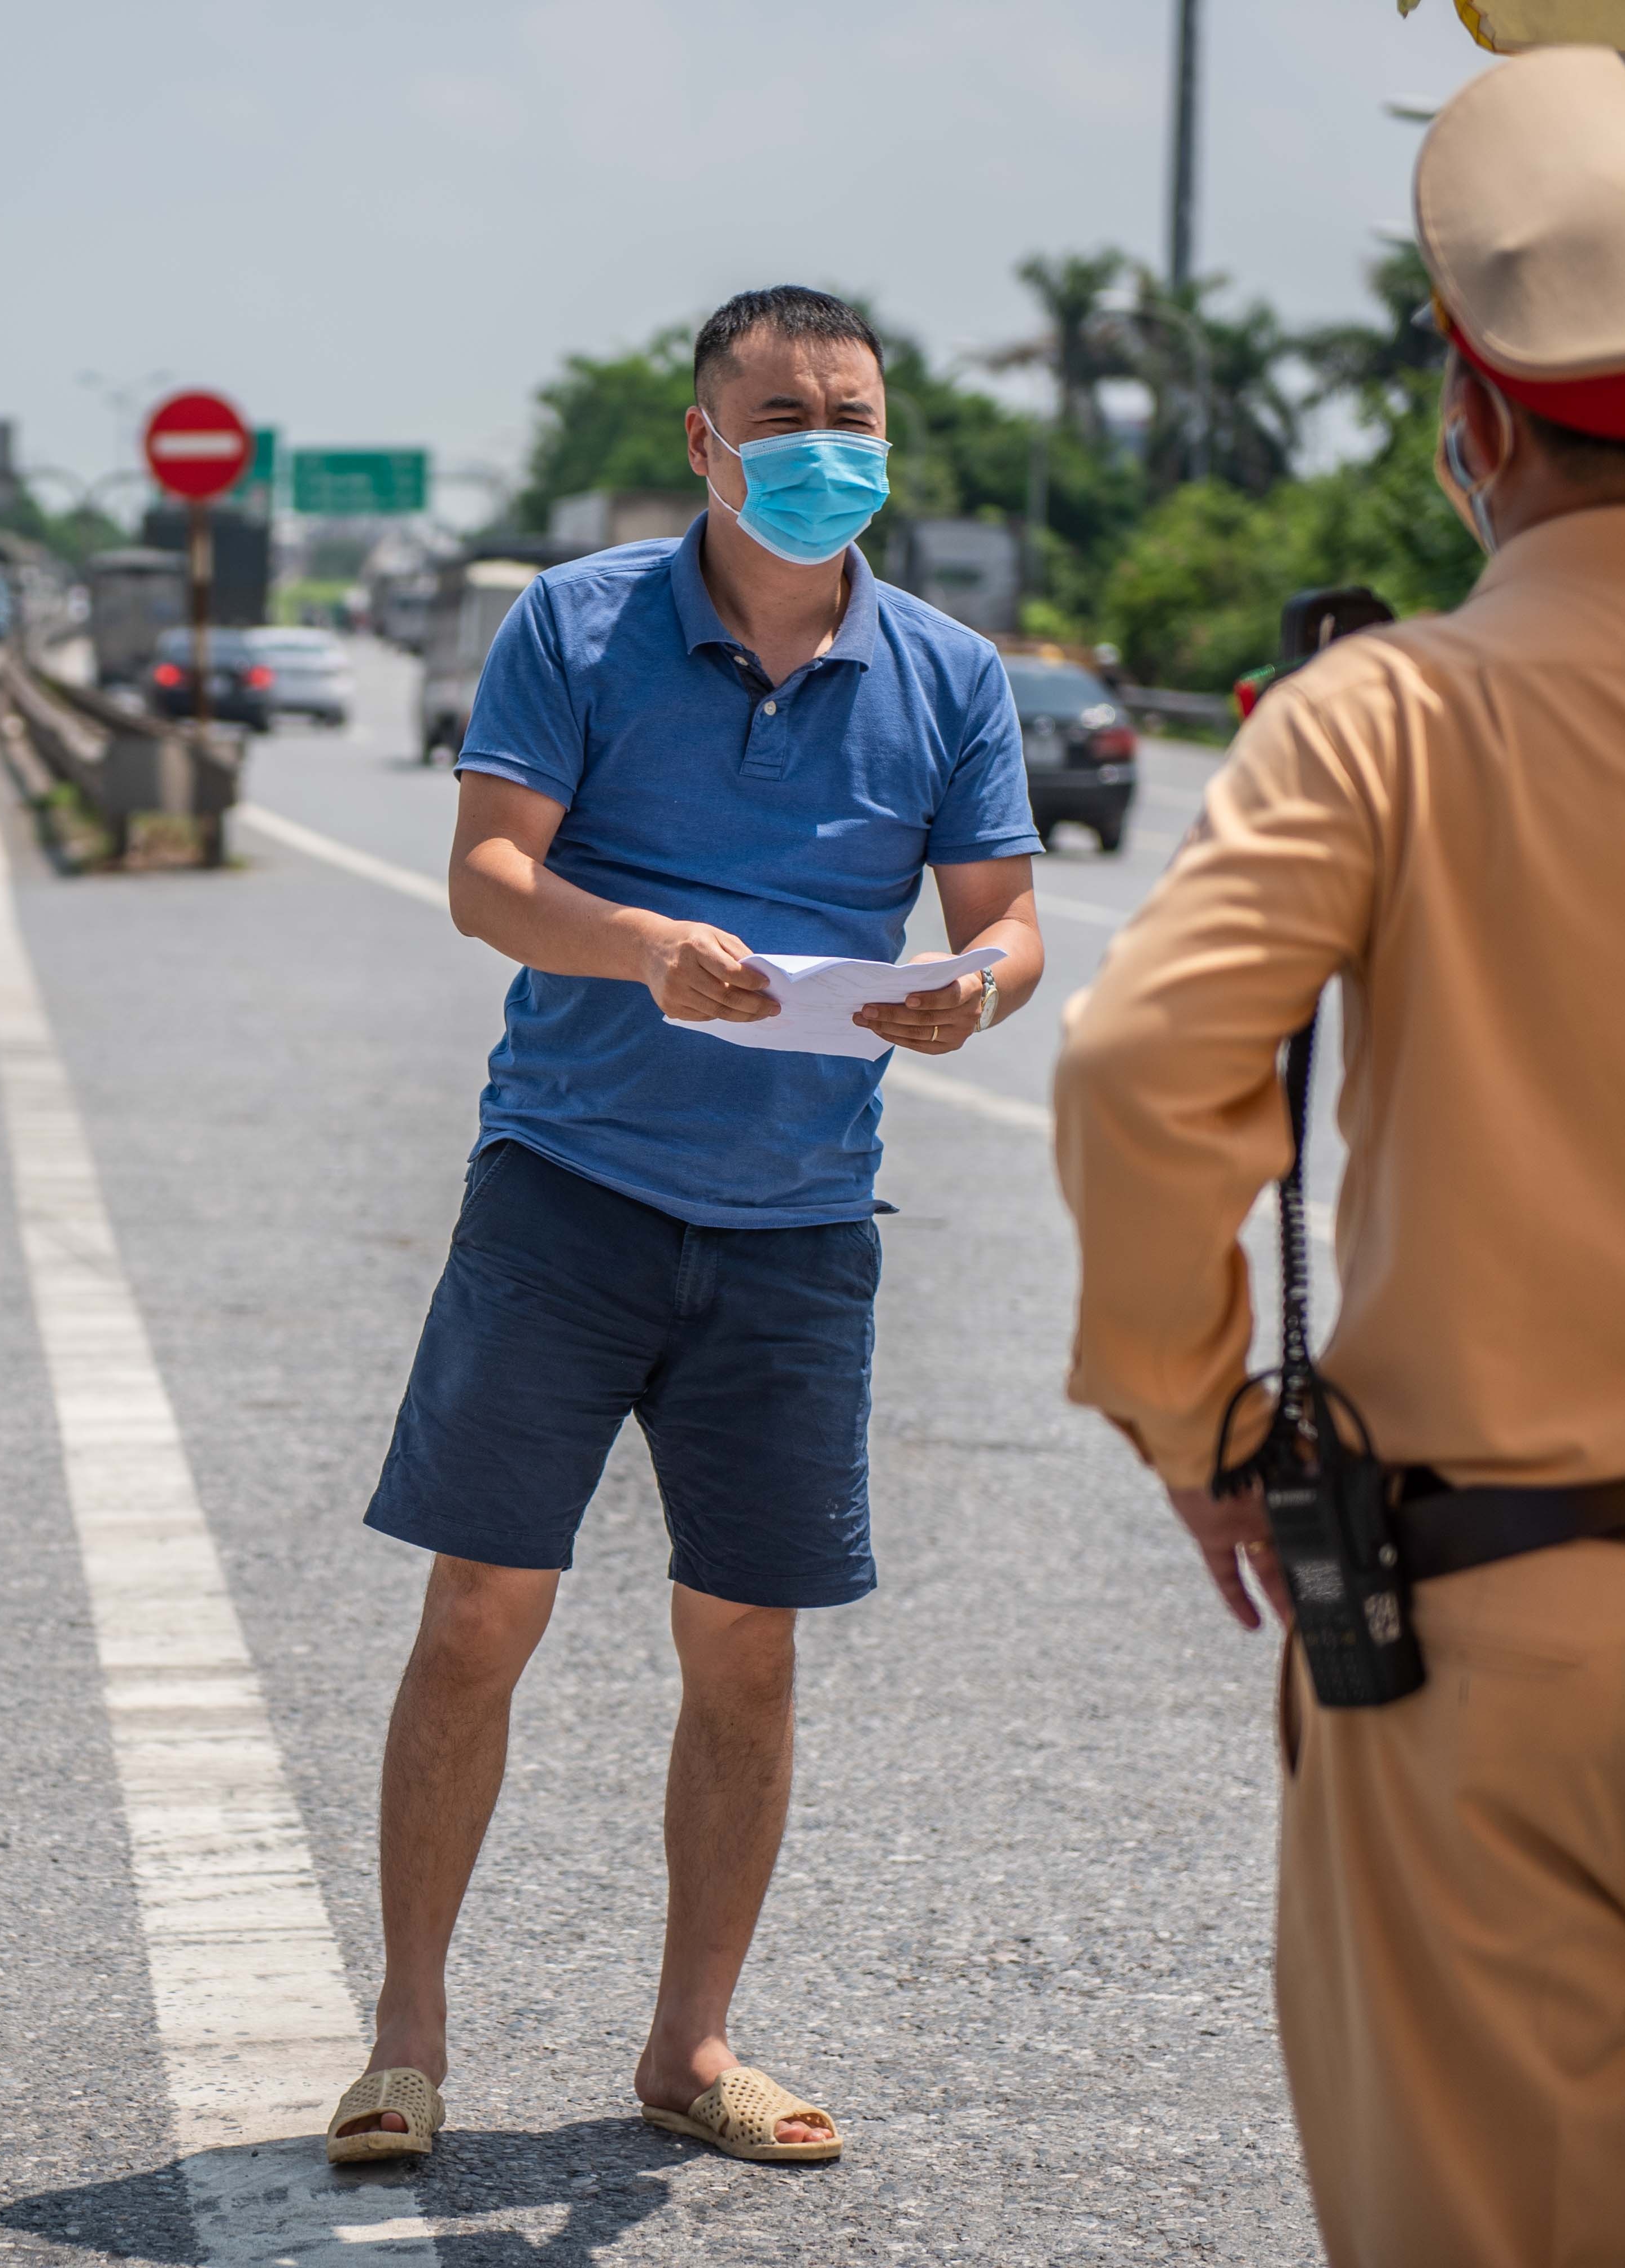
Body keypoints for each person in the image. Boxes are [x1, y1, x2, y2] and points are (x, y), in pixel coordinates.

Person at [1049, 47, 1625, 2268]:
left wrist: (1195, 1413)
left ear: (1477, 419)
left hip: (1484, 1629)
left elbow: (1140, 1070)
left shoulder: (1390, 713)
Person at [324, 285, 1046, 2168]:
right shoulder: (573, 625)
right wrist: (644, 950)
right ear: (708, 444)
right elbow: (490, 877)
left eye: (859, 413)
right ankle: (407, 2036)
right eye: (791, 413)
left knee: (747, 1649)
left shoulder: (953, 676)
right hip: (569, 1194)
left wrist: (977, 986)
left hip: (802, 1230)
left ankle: (693, 2045)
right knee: (483, 1610)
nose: (832, 445)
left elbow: (1008, 920)